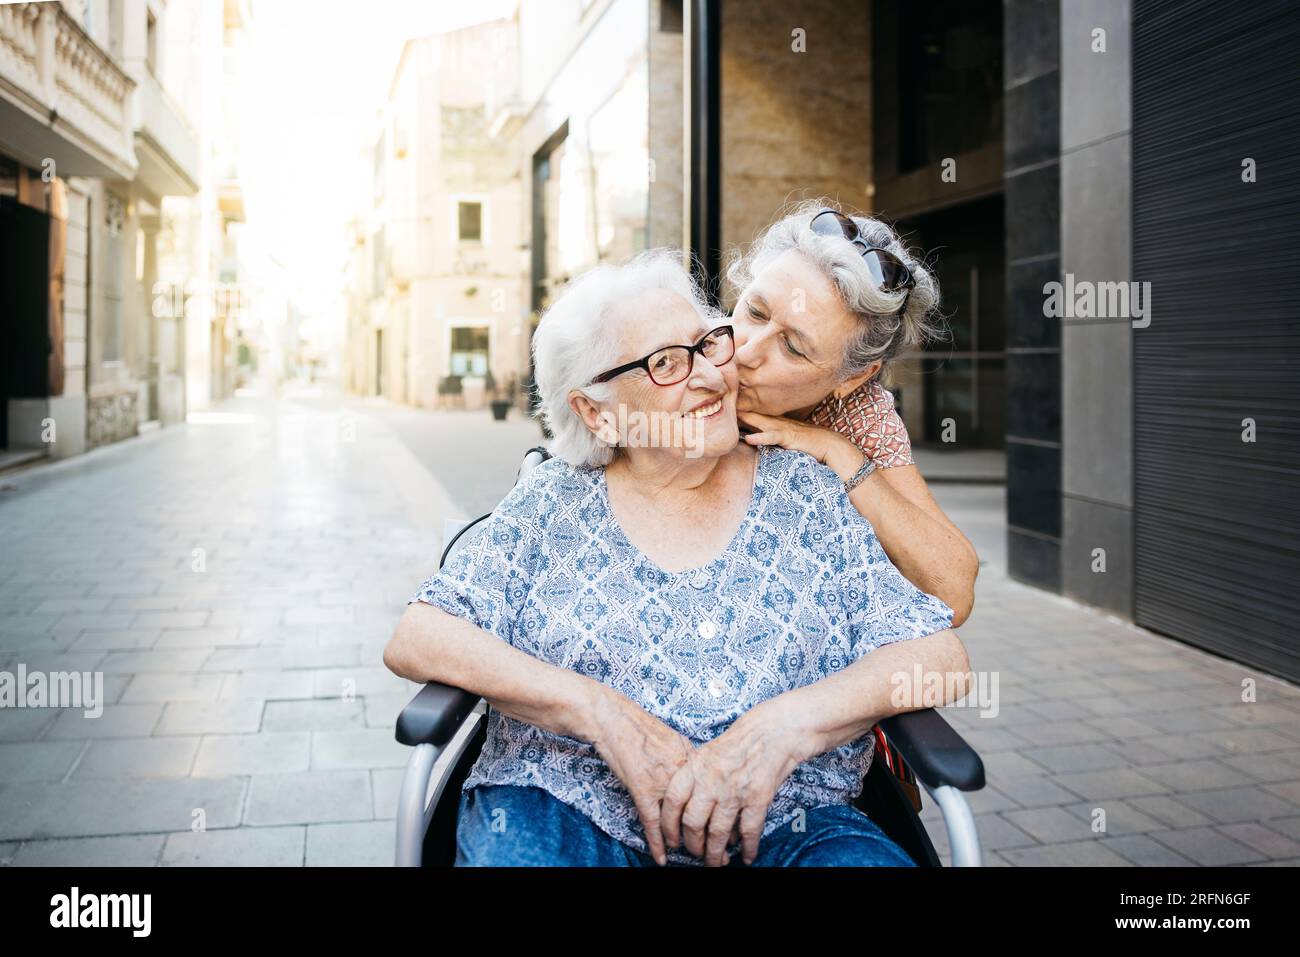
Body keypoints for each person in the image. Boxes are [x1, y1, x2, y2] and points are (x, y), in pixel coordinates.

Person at [383, 249, 973, 867]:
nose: (714, 376)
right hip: (570, 807)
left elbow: (937, 654)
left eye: (707, 345)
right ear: (595, 411)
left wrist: (785, 727)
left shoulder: (805, 488)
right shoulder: (553, 501)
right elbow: (419, 635)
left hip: (791, 823)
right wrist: (598, 713)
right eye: (666, 363)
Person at [728, 200, 979, 625]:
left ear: (855, 377)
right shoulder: (684, 354)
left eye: (792, 347)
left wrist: (838, 452)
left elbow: (952, 592)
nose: (745, 350)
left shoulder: (860, 412)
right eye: (754, 311)